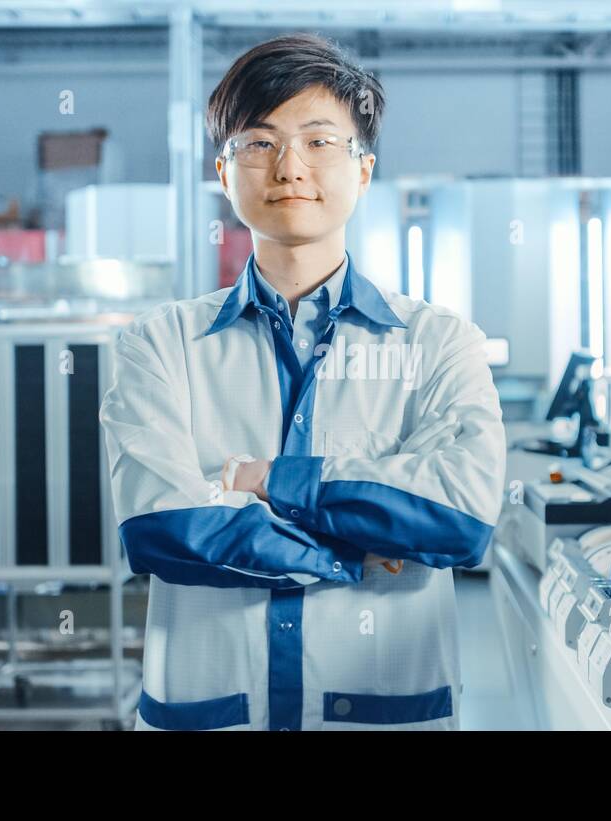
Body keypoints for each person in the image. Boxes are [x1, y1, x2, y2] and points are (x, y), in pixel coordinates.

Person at [100, 32, 505, 730]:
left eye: (320, 141)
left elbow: (458, 519)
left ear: (365, 170)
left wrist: (267, 483)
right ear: (224, 173)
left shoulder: (440, 344)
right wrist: (353, 547)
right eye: (258, 143)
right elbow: (164, 527)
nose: (289, 166)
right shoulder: (157, 346)